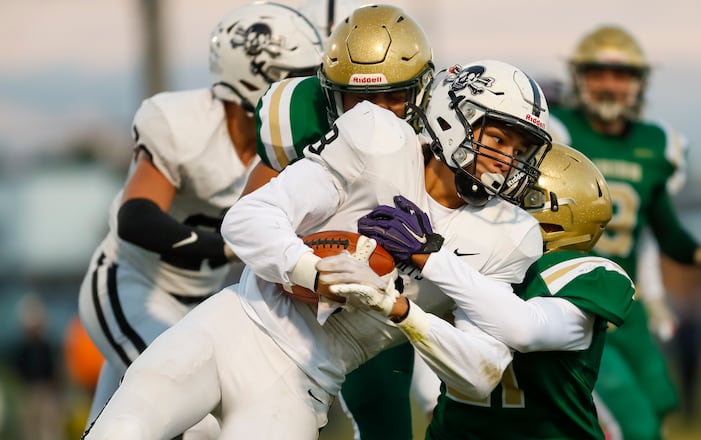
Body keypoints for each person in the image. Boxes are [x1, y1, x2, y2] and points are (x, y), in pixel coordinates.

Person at [81, 58, 553, 439]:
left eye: (519, 150)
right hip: (234, 323)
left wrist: (400, 309)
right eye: (497, 138)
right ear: (454, 118)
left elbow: (480, 371)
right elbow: (247, 219)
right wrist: (311, 270)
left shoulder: (508, 235)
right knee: (123, 429)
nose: (506, 161)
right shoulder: (378, 138)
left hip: (304, 380)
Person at [77, 2, 322, 437]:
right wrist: (225, 245)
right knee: (197, 418)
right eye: (296, 76)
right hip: (132, 285)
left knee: (116, 426)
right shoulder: (182, 123)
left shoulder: (290, 144)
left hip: (203, 300)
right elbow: (135, 217)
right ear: (254, 77)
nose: (309, 91)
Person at [336, 142, 634, 439]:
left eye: (513, 196)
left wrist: (432, 259)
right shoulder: (470, 258)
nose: (492, 201)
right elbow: (426, 337)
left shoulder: (590, 273)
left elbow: (526, 329)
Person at [244, 5, 433, 439]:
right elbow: (251, 214)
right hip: (315, 297)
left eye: (393, 97)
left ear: (422, 93)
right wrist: (305, 267)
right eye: (362, 99)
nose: (378, 114)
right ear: (332, 94)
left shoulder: (443, 128)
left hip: (412, 286)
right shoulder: (301, 118)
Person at [548, 24, 701, 439]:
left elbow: (664, 226)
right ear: (579, 78)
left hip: (629, 302)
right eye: (598, 73)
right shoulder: (558, 134)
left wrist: (697, 253)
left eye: (621, 75)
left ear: (639, 82)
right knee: (633, 420)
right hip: (579, 299)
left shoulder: (656, 143)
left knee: (661, 399)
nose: (610, 85)